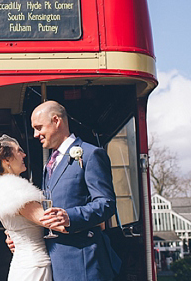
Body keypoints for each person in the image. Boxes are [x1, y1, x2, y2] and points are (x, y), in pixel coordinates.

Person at [32, 100, 122, 281]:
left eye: (39, 127)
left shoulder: (91, 154)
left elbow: (106, 204)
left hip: (83, 262)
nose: (35, 134)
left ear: (56, 121)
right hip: (56, 261)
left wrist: (69, 216)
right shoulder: (49, 164)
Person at [0, 134, 64, 281]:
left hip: (22, 264)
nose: (23, 154)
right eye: (18, 151)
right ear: (6, 161)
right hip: (35, 266)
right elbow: (50, 221)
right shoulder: (16, 190)